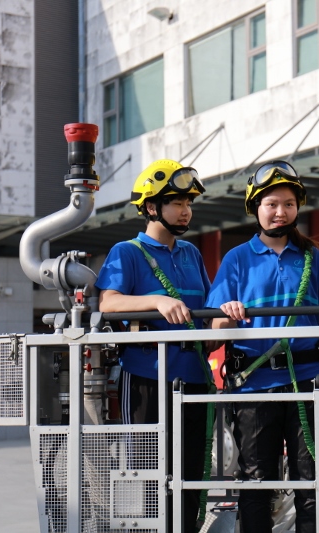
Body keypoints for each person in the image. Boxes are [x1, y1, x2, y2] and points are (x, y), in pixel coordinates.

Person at [206, 160, 319, 533]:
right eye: (272, 204)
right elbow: (214, 330)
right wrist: (227, 314)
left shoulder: (314, 258)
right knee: (256, 480)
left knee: (310, 478)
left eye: (289, 204)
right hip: (254, 386)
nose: (281, 212)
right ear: (256, 209)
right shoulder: (236, 259)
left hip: (307, 380)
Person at [95, 159, 218, 533]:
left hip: (194, 376)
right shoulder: (127, 251)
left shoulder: (192, 253)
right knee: (151, 467)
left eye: (189, 203)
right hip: (147, 376)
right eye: (177, 202)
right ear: (151, 207)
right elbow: (108, 302)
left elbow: (209, 308)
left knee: (193, 467)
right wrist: (156, 300)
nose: (186, 210)